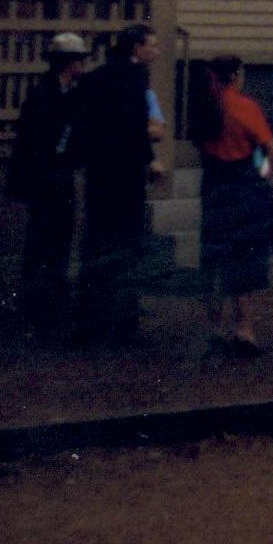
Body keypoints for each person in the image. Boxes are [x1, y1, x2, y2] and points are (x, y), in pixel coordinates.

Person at [72, 22, 167, 343]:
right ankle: (124, 320)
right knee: (127, 245)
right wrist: (149, 159)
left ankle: (90, 318)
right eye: (150, 45)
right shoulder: (135, 79)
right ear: (136, 48)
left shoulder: (96, 77)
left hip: (99, 172)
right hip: (125, 174)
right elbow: (135, 125)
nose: (155, 51)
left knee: (96, 242)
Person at [191, 55, 273, 355]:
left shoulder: (205, 107)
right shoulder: (245, 107)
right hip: (244, 185)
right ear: (235, 75)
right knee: (244, 256)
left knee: (214, 255)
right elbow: (269, 149)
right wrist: (264, 175)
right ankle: (243, 328)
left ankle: (213, 328)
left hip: (213, 183)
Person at [3, 31, 91, 331]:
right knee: (40, 237)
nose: (82, 65)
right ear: (67, 63)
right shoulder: (43, 94)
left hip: (62, 172)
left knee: (62, 237)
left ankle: (53, 299)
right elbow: (34, 139)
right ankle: (34, 302)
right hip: (44, 175)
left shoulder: (75, 92)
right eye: (78, 59)